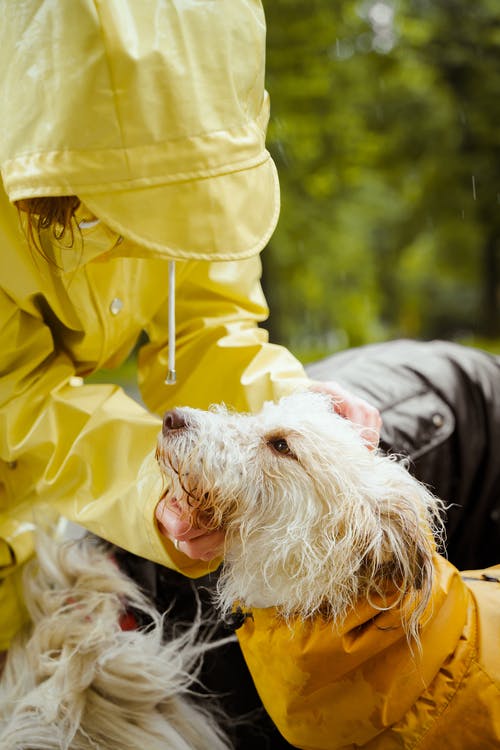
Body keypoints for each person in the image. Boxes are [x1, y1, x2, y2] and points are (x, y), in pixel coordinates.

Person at [0, 0, 380, 665]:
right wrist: (156, 491)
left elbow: (207, 325)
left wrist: (293, 405)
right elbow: (15, 392)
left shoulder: (203, 172)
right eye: (116, 206)